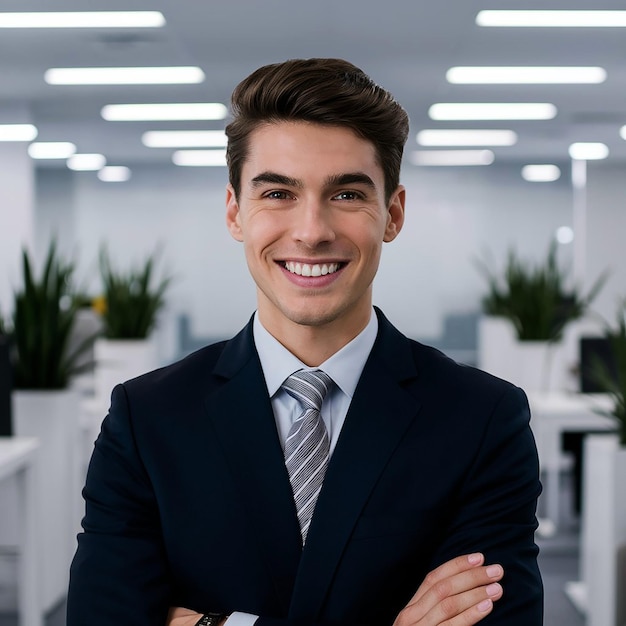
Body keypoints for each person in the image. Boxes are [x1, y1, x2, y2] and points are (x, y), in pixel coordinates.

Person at [67, 58, 543, 626]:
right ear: (235, 211)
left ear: (391, 214)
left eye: (345, 195)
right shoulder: (146, 419)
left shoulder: (483, 418)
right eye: (277, 193)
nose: (312, 231)